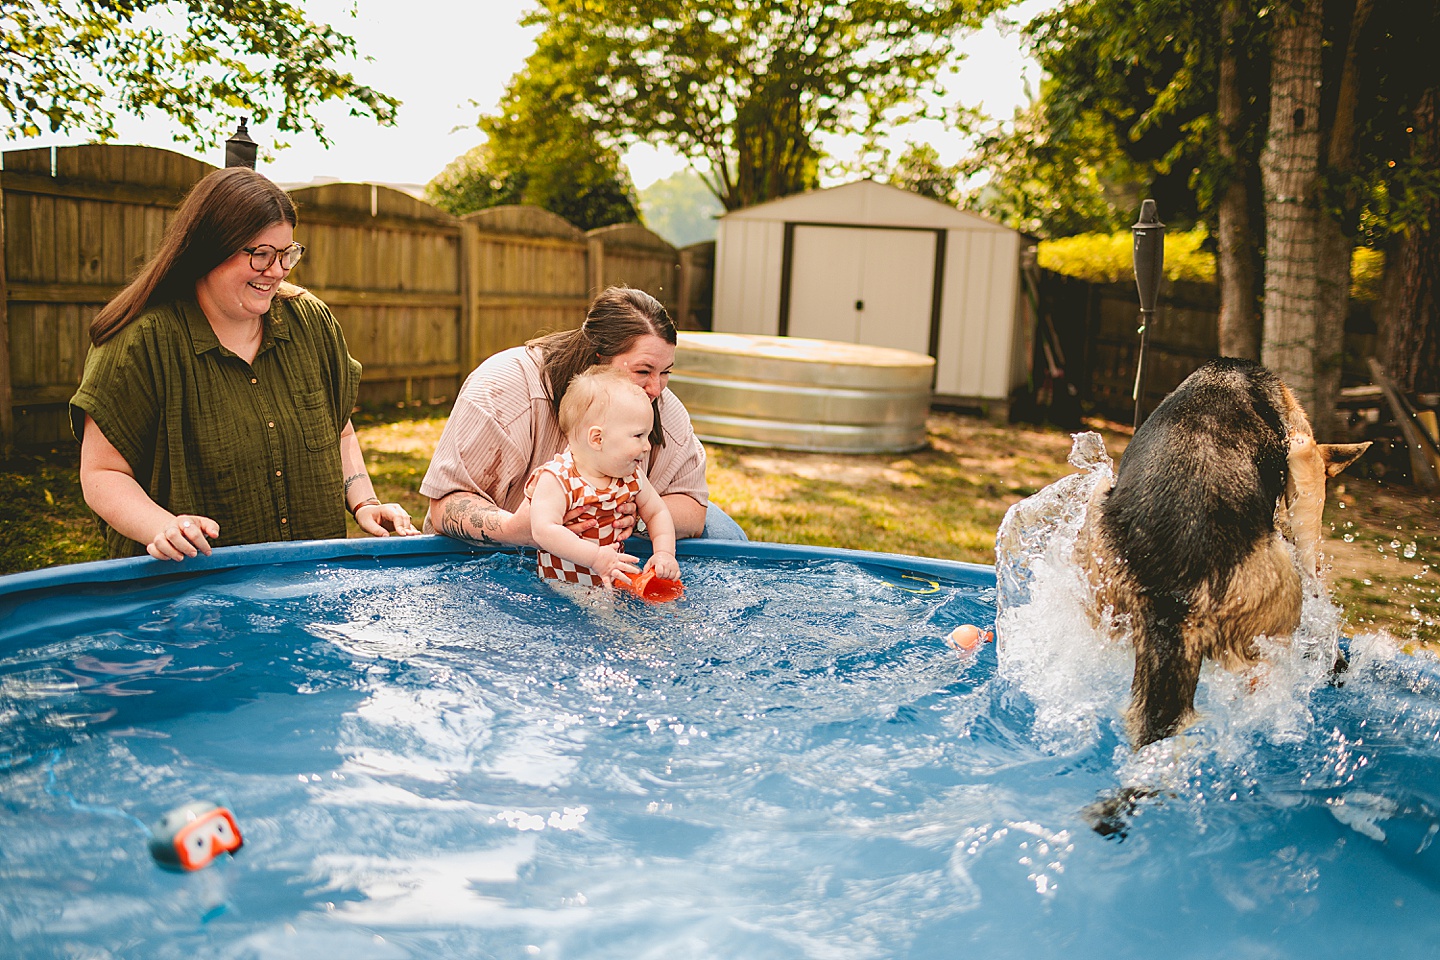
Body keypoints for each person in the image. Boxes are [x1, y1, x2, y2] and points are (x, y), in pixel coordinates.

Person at [70, 166, 418, 561]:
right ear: (209, 250)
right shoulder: (142, 342)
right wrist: (161, 525)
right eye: (260, 255)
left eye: (287, 254)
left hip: (311, 587)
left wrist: (365, 503)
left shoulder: (312, 323)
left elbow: (339, 433)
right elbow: (101, 474)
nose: (277, 271)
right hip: (188, 595)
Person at [421, 285, 747, 546]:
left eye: (665, 372)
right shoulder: (505, 389)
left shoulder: (665, 410)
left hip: (615, 547)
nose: (655, 389)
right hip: (495, 552)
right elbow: (445, 505)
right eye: (643, 370)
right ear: (597, 357)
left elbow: (693, 507)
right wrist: (514, 529)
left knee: (730, 539)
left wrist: (629, 512)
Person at [526, 366, 680, 589]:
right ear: (597, 439)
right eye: (638, 435)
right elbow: (543, 530)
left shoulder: (630, 476)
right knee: (610, 619)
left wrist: (664, 553)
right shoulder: (559, 478)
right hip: (564, 583)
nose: (647, 446)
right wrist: (596, 557)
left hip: (611, 578)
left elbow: (657, 512)